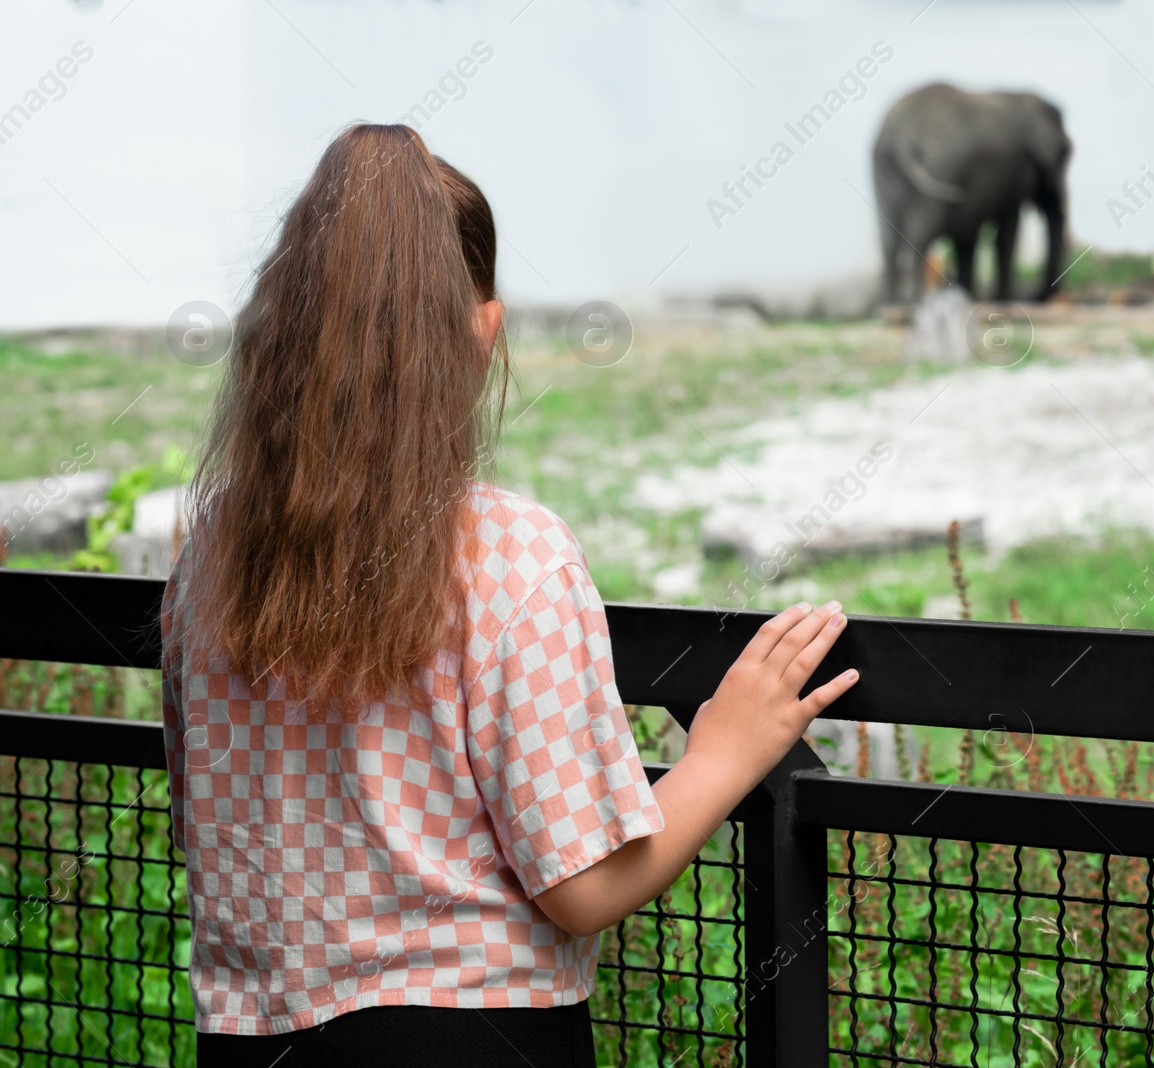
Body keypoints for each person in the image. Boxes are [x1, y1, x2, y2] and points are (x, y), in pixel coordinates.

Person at [159, 122, 859, 1067]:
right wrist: (724, 753)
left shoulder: (210, 552)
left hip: (251, 1042)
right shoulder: (515, 555)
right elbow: (582, 886)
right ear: (483, 332)